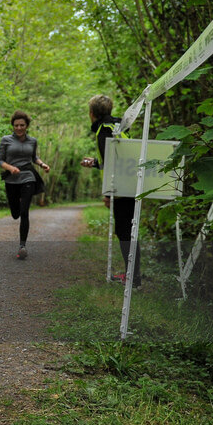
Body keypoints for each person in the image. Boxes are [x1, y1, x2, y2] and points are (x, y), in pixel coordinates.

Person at [79, 94, 141, 286]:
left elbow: (113, 164)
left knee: (124, 232)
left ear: (91, 114)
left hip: (120, 188)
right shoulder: (118, 126)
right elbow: (116, 159)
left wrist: (108, 193)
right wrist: (95, 163)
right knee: (128, 231)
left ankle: (133, 278)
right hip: (131, 184)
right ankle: (133, 275)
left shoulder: (103, 131)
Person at [0, 110, 49, 260]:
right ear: (12, 126)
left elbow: (34, 157)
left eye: (22, 125)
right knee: (15, 213)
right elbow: (1, 161)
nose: (19, 128)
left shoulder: (32, 141)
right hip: (11, 179)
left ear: (27, 126)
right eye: (16, 125)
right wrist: (10, 168)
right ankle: (17, 208)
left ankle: (22, 246)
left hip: (28, 177)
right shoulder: (5, 140)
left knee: (25, 212)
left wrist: (42, 164)